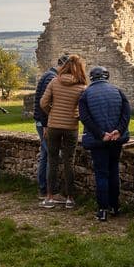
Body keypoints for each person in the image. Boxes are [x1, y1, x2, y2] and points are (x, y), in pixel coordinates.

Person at [78, 66, 130, 222]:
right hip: (116, 140)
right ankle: (115, 206)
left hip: (98, 141)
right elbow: (126, 113)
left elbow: (85, 118)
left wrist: (101, 135)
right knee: (113, 171)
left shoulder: (85, 95)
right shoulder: (118, 91)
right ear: (106, 76)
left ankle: (102, 210)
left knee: (101, 174)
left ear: (92, 78)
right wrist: (118, 131)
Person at [39, 54, 87, 209]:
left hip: (53, 126)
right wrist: (75, 116)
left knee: (52, 161)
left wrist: (52, 113)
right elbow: (84, 110)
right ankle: (69, 198)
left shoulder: (54, 81)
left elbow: (43, 102)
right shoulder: (81, 87)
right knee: (69, 162)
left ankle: (50, 197)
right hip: (71, 127)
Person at [34, 53, 69, 200]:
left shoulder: (48, 74)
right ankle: (51, 193)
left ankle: (43, 190)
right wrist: (47, 125)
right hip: (45, 124)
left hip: (41, 123)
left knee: (45, 155)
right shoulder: (51, 78)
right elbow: (44, 104)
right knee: (52, 157)